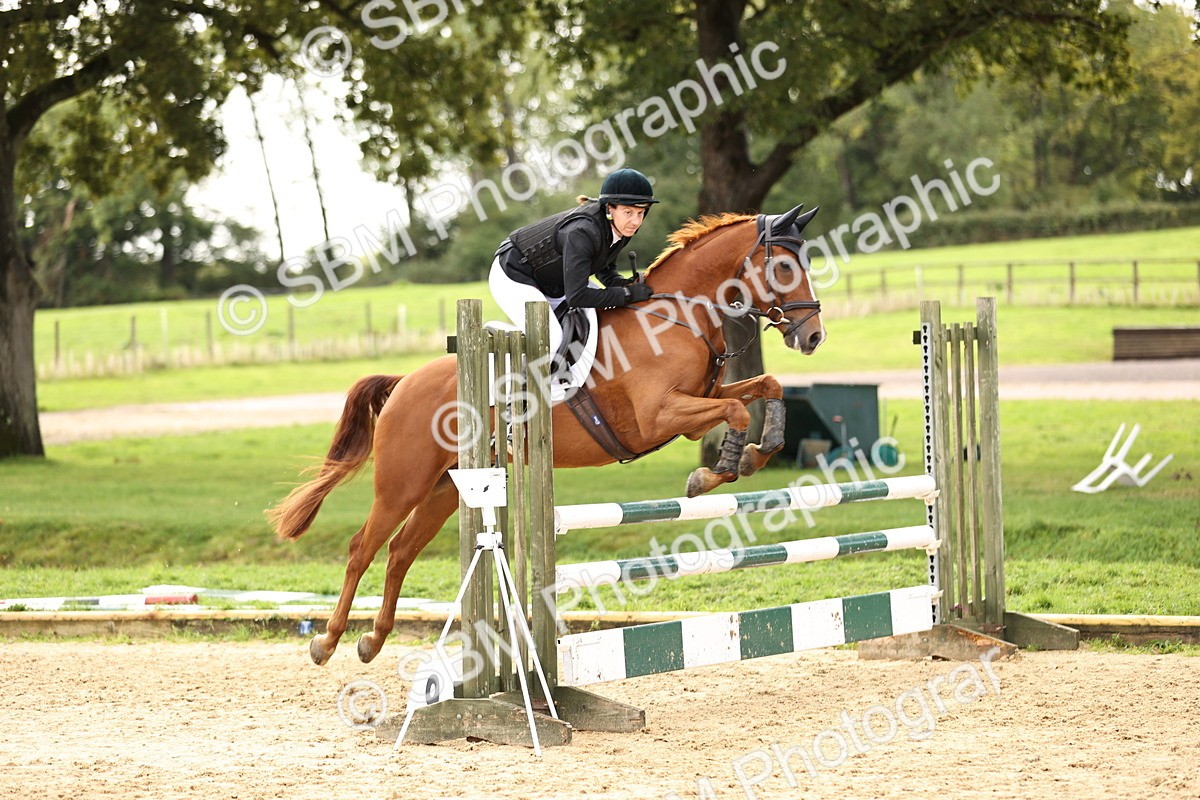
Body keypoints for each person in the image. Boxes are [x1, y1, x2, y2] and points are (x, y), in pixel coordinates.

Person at [488, 168, 658, 359]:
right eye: (629, 212)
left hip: (553, 282)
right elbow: (577, 296)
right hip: (514, 274)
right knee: (551, 339)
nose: (635, 221)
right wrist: (627, 294)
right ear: (610, 208)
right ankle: (504, 338)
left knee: (593, 324)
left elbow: (604, 269)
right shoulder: (583, 232)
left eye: (640, 213)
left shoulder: (621, 227)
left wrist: (623, 284)